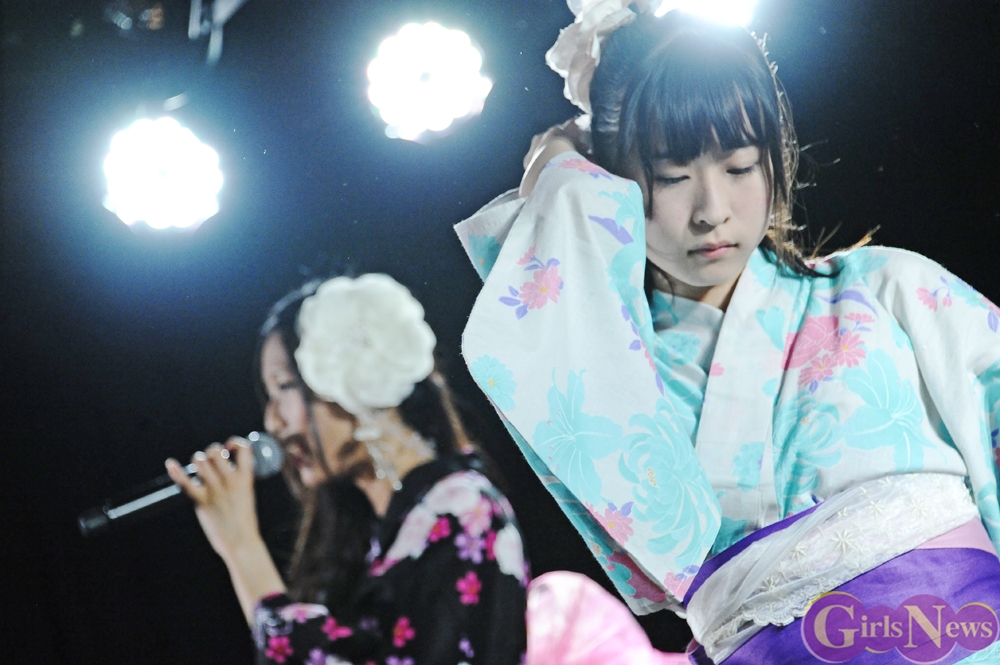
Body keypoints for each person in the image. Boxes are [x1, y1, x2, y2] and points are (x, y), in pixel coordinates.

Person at [454, 3, 1000, 663]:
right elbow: (549, 271)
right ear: (612, 181)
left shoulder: (890, 288)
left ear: (773, 156)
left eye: (739, 167)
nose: (711, 210)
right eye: (671, 176)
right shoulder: (614, 365)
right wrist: (561, 160)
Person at [167, 274, 529, 665]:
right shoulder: (374, 534)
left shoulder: (463, 509)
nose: (273, 422)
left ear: (351, 377)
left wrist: (242, 546)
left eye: (285, 387)